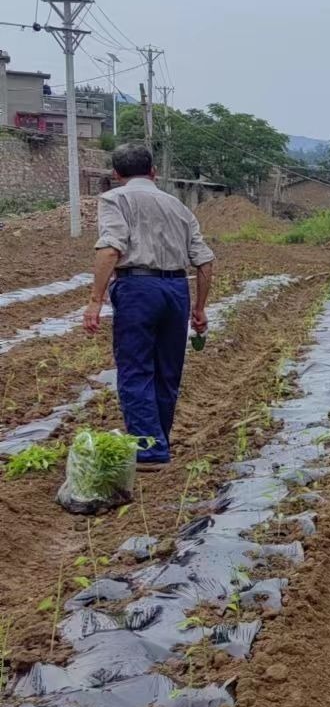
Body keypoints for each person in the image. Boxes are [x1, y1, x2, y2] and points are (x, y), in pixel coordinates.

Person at [81, 141, 215, 467]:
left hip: (137, 289)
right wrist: (199, 308)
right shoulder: (178, 206)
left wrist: (95, 301)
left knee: (135, 368)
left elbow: (110, 249)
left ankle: (149, 449)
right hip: (176, 289)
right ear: (153, 172)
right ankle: (158, 440)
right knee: (167, 371)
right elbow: (204, 262)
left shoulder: (114, 199)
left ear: (116, 174)